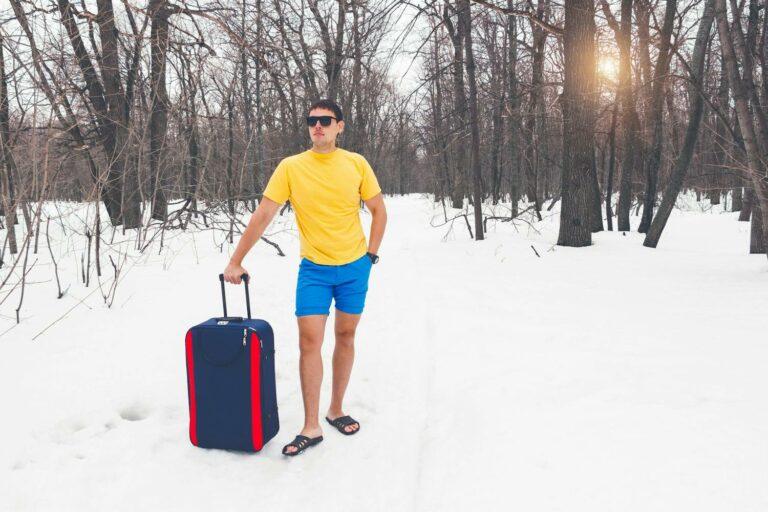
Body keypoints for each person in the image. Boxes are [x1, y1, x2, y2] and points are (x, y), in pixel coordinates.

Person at [223, 99, 387, 457]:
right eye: (312, 121)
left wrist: (370, 256)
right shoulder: (291, 167)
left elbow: (379, 210)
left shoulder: (356, 163)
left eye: (326, 120)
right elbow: (264, 214)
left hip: (354, 269)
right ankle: (311, 425)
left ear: (340, 126)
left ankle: (336, 409)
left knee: (346, 336)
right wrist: (236, 260)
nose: (318, 126)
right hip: (314, 270)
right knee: (309, 341)